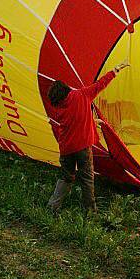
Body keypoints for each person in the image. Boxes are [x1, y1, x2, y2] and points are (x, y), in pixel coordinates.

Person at [47, 61, 129, 215]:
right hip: (83, 147)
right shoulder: (81, 95)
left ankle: (52, 207)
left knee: (66, 178)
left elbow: (73, 122)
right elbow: (100, 84)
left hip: (66, 149)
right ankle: (90, 211)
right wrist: (115, 70)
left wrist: (92, 121)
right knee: (87, 178)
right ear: (66, 89)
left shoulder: (58, 109)